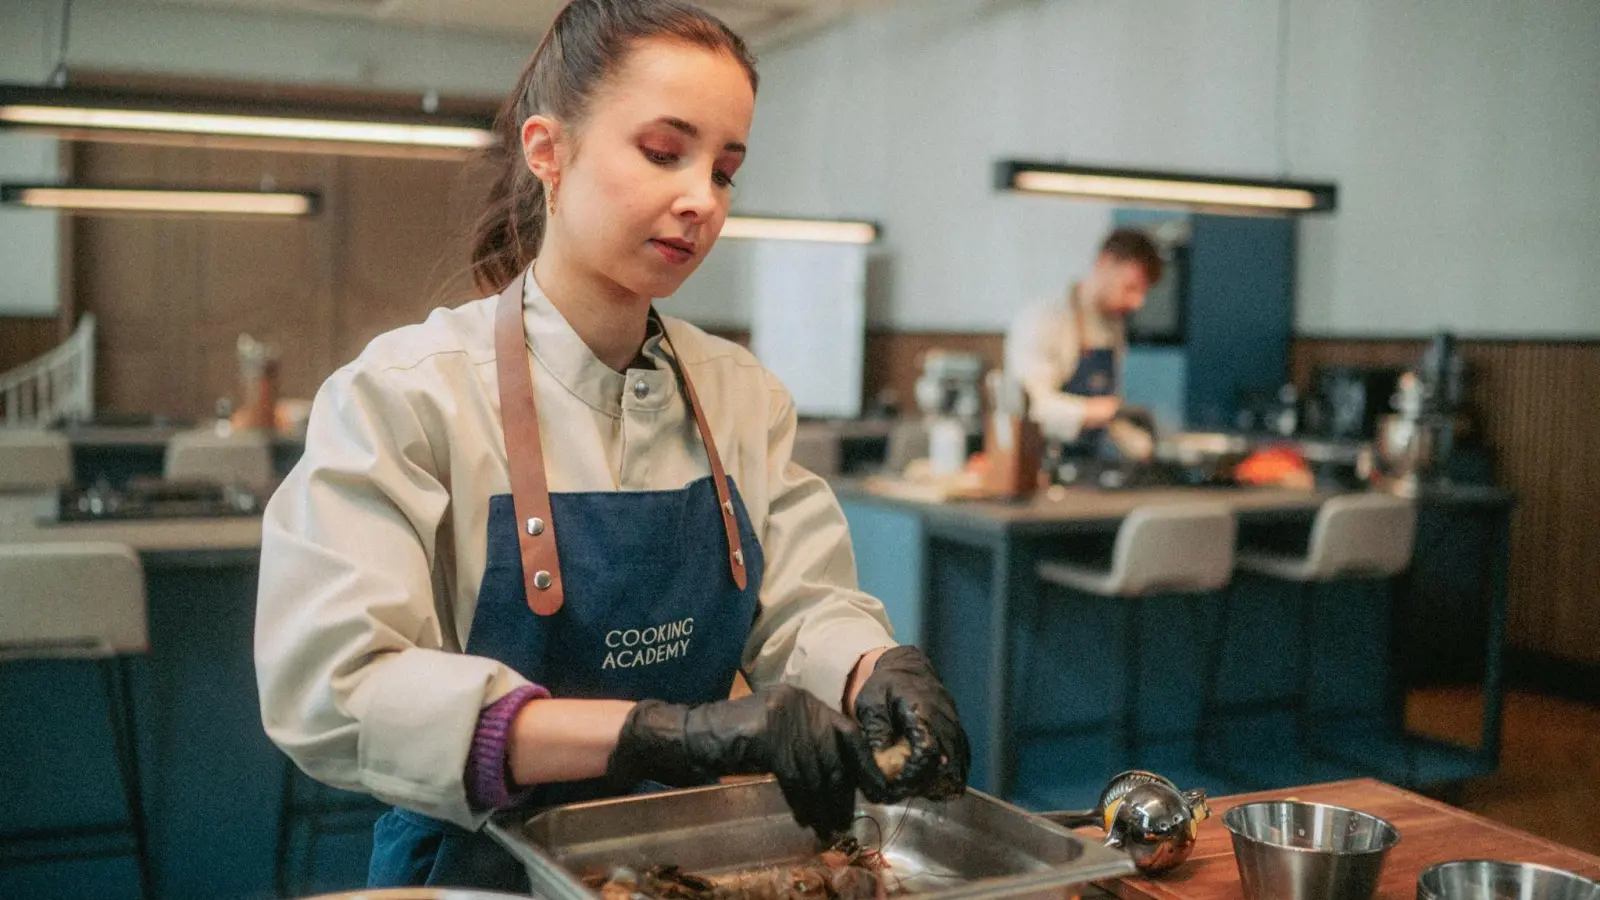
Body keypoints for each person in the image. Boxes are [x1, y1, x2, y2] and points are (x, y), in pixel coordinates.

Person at [253, 0, 970, 891]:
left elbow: (801, 602)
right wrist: (650, 730)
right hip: (481, 867)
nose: (700, 199)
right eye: (664, 153)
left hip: (701, 860)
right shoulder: (405, 394)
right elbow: (336, 688)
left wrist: (871, 666)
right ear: (548, 151)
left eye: (725, 169)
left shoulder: (740, 394)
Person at [1003, 228, 1164, 460]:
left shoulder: (1114, 327)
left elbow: (1111, 413)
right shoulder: (1043, 319)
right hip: (1040, 464)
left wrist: (1139, 446)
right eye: (1130, 287)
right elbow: (1030, 407)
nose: (1137, 302)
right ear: (1105, 263)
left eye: (1143, 293)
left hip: (1089, 467)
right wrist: (1095, 411)